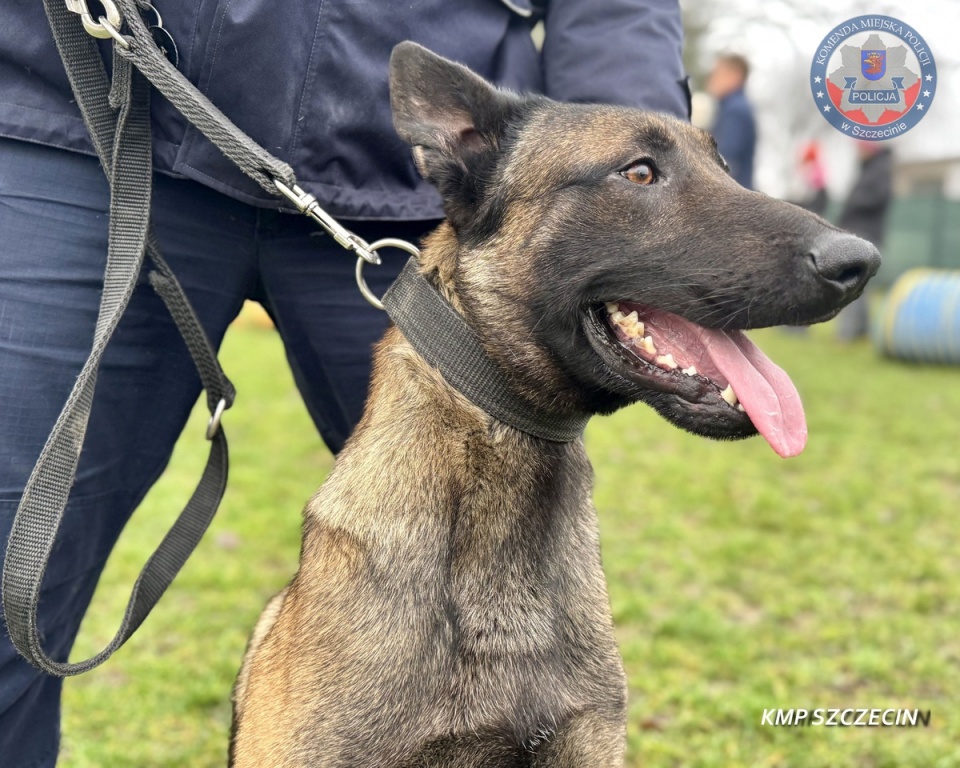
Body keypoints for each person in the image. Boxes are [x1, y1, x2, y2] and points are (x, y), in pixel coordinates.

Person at [0, 0, 690, 764]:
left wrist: (637, 157)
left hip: (415, 177)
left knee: (525, 618)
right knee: (8, 581)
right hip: (92, 123)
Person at [836, 141, 893, 340]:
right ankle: (861, 332)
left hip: (865, 232)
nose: (857, 152)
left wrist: (855, 204)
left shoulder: (880, 169)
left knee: (851, 283)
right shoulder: (869, 168)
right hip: (859, 231)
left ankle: (848, 334)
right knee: (860, 287)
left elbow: (879, 197)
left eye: (861, 148)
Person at [706, 53, 756, 189]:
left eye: (717, 73)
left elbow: (724, 161)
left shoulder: (735, 110)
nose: (711, 79)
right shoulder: (732, 108)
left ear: (735, 76)